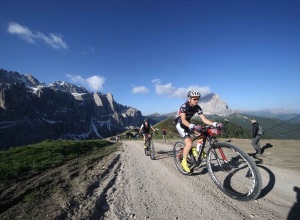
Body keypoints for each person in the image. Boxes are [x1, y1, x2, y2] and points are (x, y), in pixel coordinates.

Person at [174, 90, 222, 173]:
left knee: (202, 134)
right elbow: (183, 120)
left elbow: (204, 119)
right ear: (189, 99)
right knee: (189, 143)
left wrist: (214, 123)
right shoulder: (184, 106)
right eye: (194, 99)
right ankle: (184, 161)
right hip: (180, 124)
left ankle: (196, 150)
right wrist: (192, 126)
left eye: (198, 99)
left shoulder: (197, 107)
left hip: (188, 123)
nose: (196, 100)